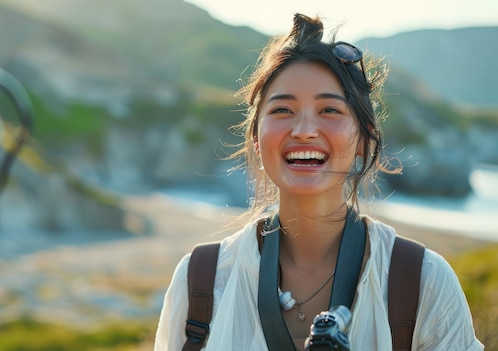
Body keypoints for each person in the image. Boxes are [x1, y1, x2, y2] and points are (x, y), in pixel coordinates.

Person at [154, 13, 484, 351]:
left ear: (363, 139)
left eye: (330, 111)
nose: (304, 130)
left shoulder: (421, 281)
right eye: (282, 111)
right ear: (256, 137)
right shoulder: (200, 282)